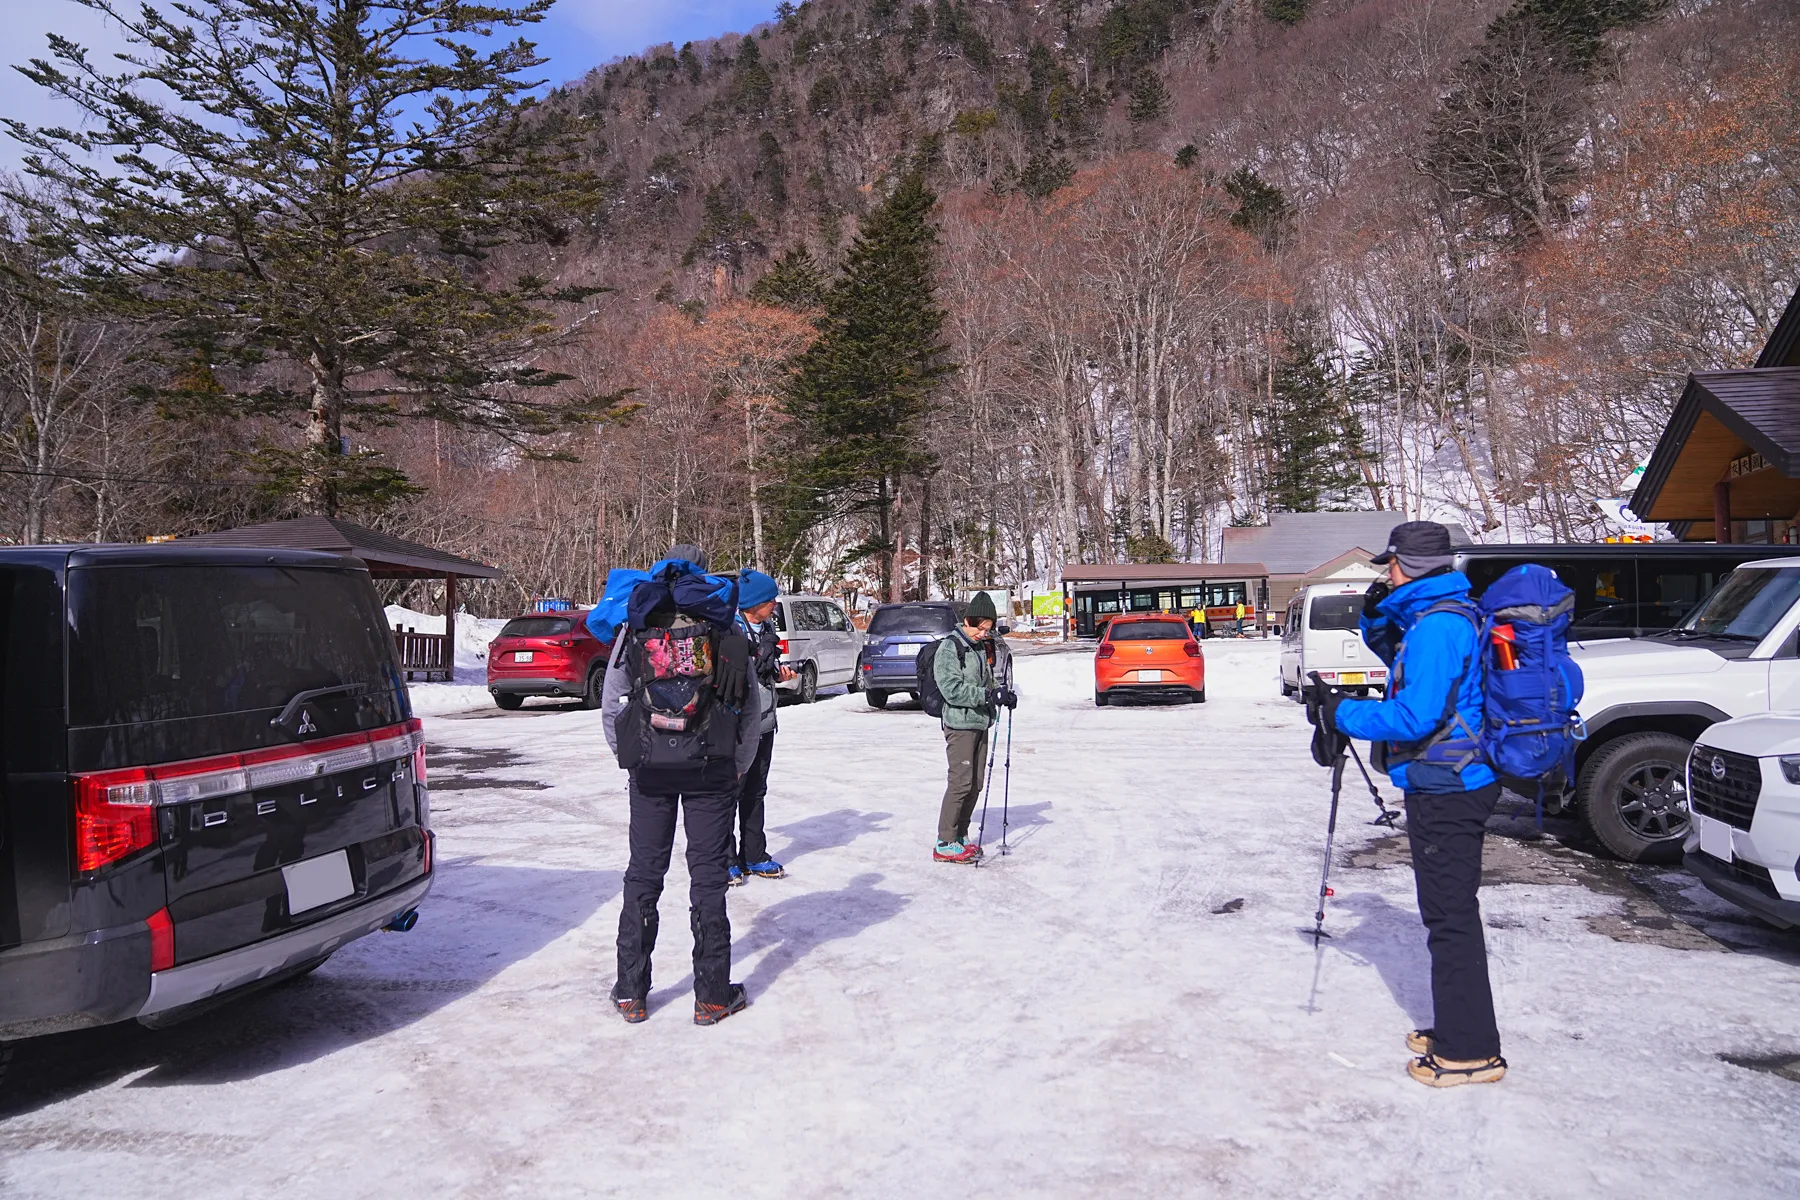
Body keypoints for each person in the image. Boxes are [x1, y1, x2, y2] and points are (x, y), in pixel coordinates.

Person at [1314, 520, 1507, 1088]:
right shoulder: (1434, 617)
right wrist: (1377, 612)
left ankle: (1471, 1050)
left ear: (1409, 567)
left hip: (1451, 785)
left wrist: (1341, 713)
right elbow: (1395, 655)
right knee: (1447, 913)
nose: (1386, 575)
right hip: (1447, 779)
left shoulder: (1438, 628)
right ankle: (1456, 1026)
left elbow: (1415, 717)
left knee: (1451, 920)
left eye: (1390, 566)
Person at [603, 543, 760, 1026]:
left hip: (649, 769)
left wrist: (629, 757)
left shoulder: (639, 624)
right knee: (708, 877)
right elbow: (751, 707)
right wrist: (738, 765)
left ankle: (631, 992)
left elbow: (612, 703)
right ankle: (712, 997)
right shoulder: (724, 625)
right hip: (712, 769)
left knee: (643, 874)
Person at [931, 592, 1016, 863]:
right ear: (967, 621)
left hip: (980, 721)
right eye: (980, 628)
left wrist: (1001, 693)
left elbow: (986, 683)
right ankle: (945, 840)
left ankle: (960, 835)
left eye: (988, 630)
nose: (983, 634)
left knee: (976, 783)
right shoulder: (950, 648)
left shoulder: (979, 648)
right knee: (960, 782)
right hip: (959, 724)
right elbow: (952, 689)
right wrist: (985, 697)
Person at [729, 569, 793, 885]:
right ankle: (726, 859)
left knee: (756, 791)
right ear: (752, 603)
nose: (774, 605)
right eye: (770, 601)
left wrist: (779, 673)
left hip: (765, 722)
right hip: (737, 727)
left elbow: (764, 671)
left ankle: (754, 855)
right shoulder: (730, 630)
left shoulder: (767, 629)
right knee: (730, 791)